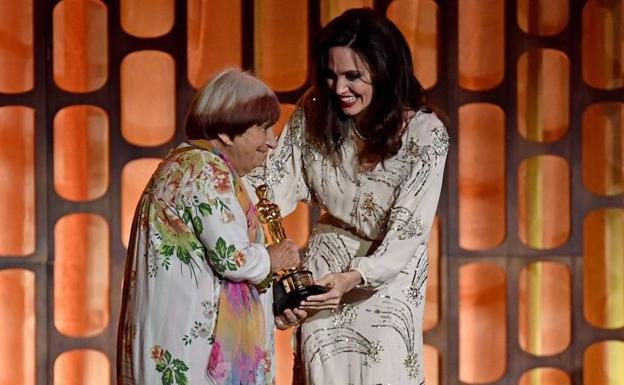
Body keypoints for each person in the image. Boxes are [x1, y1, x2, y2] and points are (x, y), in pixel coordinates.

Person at [244, 8, 449, 384]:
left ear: (384, 71)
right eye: (331, 74)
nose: (339, 88)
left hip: (387, 281)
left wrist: (353, 277)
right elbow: (271, 187)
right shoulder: (316, 108)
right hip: (324, 277)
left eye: (353, 76)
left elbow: (408, 234)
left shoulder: (425, 134)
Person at [117, 69, 305, 385]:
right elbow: (232, 258)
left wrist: (273, 306)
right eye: (262, 128)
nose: (272, 142)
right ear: (227, 132)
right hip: (188, 356)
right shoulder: (203, 168)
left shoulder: (190, 163)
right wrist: (275, 257)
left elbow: (215, 277)